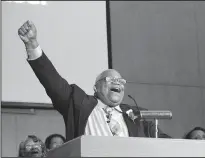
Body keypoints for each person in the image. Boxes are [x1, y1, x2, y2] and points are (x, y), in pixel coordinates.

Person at [18, 20, 171, 141]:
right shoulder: (78, 104)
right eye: (110, 79)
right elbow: (53, 83)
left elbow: (166, 142)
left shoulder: (137, 114)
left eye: (120, 80)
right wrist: (32, 45)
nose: (117, 82)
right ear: (96, 88)